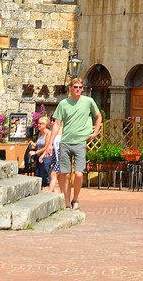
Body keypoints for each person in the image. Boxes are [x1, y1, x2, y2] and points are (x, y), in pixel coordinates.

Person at [46, 77, 102, 211]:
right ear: (70, 88)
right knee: (65, 174)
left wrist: (95, 132)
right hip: (65, 142)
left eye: (80, 87)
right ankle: (66, 201)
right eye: (75, 87)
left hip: (80, 142)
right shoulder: (63, 103)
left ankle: (75, 199)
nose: (78, 89)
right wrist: (50, 143)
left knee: (78, 173)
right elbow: (57, 124)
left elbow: (98, 116)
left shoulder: (89, 101)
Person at [32, 114, 55, 190]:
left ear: (45, 125)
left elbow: (46, 147)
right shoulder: (39, 134)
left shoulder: (48, 133)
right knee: (39, 176)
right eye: (38, 123)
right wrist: (34, 145)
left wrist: (35, 152)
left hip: (46, 158)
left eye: (40, 124)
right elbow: (39, 145)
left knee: (45, 177)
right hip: (39, 157)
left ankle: (53, 191)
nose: (38, 125)